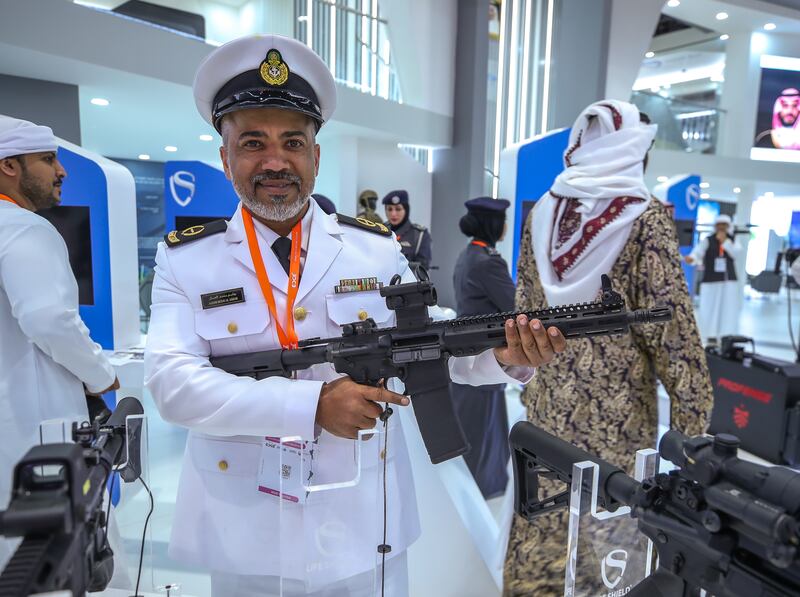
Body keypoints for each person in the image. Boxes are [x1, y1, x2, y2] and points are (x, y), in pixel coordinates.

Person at [144, 34, 566, 597]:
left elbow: (422, 339)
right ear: (226, 157)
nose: (276, 161)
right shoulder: (187, 258)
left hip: (365, 519)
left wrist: (500, 353)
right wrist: (312, 405)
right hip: (244, 524)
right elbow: (173, 384)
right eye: (253, 142)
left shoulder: (373, 247)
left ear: (316, 155)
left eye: (293, 141)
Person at [503, 100, 714, 596]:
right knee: (611, 560)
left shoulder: (543, 213)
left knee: (543, 552)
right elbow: (674, 339)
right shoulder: (645, 220)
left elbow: (522, 315)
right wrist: (694, 442)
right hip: (616, 437)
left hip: (546, 428)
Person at [0, 116, 119, 568]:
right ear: (9, 166)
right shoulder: (24, 228)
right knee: (47, 563)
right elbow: (49, 319)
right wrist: (100, 374)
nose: (62, 171)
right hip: (30, 432)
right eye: (47, 160)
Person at [450, 196, 515, 499]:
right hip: (485, 356)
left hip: (469, 351)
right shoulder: (489, 263)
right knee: (484, 431)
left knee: (477, 426)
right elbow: (515, 307)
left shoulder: (468, 256)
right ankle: (482, 490)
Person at [685, 214, 742, 345]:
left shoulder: (733, 240)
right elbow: (697, 253)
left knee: (728, 308)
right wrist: (692, 258)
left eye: (724, 225)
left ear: (728, 227)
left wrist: (725, 242)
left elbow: (736, 253)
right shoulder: (708, 240)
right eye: (719, 225)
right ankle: (709, 334)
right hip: (711, 279)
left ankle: (726, 335)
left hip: (729, 281)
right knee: (708, 307)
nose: (721, 228)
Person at [382, 189, 432, 270]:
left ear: (406, 210)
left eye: (398, 209)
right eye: (389, 209)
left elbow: (423, 267)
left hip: (408, 281)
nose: (393, 214)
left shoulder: (420, 235)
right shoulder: (379, 231)